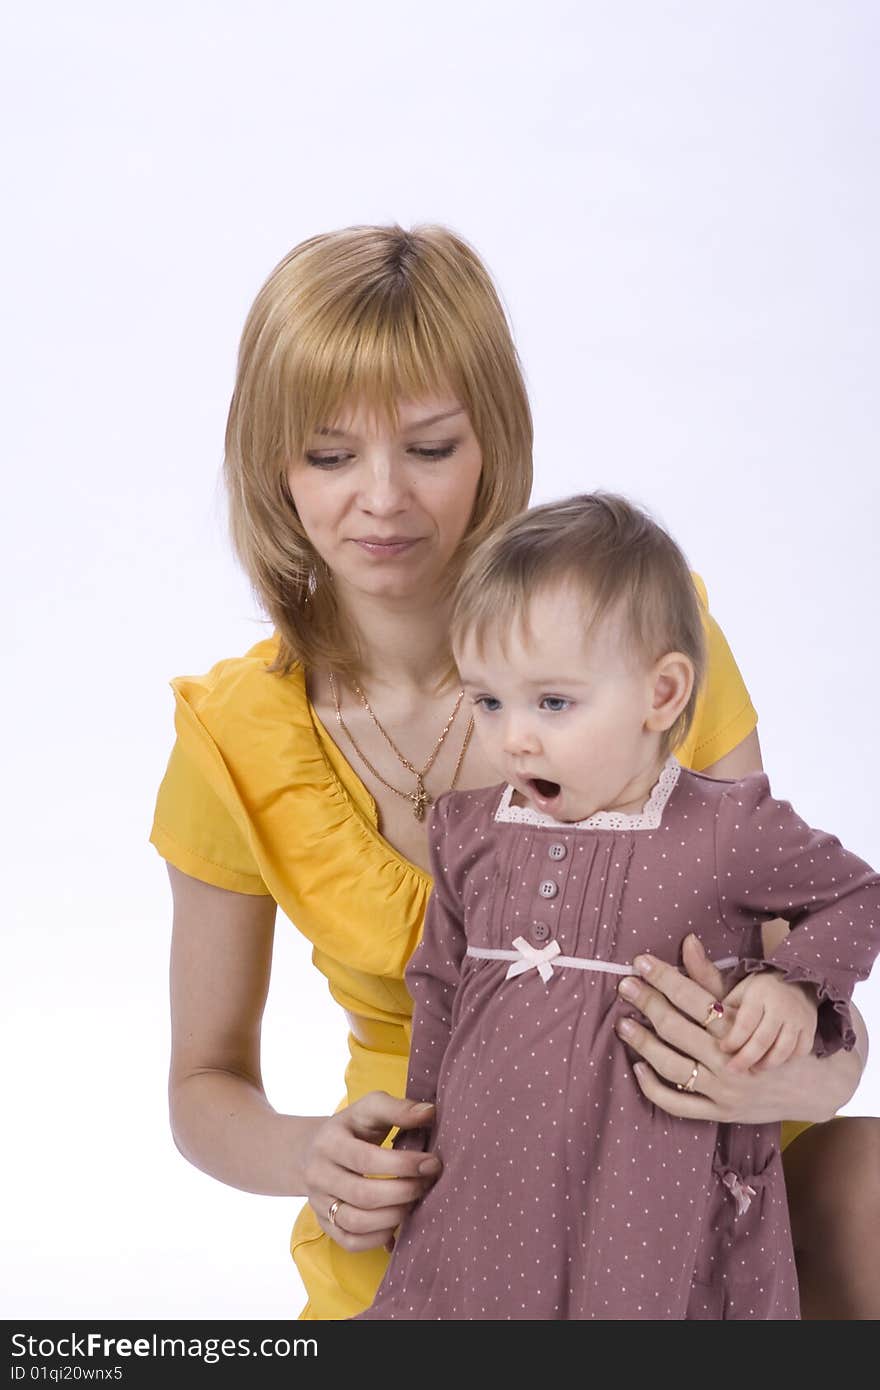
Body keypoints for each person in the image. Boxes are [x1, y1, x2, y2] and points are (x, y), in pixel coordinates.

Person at [150, 224, 878, 1321]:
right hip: (445, 1198)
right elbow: (202, 1085)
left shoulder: (635, 642)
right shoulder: (233, 738)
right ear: (272, 465)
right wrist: (313, 1154)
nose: (383, 499)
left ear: (493, 440)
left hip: (675, 1172)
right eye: (330, 454)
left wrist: (816, 1069)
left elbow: (792, 941)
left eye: (431, 447)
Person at [355, 493, 880, 1320]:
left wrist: (795, 983)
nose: (514, 738)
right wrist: (415, 1151)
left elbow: (855, 894)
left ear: (661, 695)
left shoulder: (723, 826)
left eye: (552, 703)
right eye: (488, 701)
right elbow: (439, 993)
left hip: (651, 1199)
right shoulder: (467, 830)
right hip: (488, 1196)